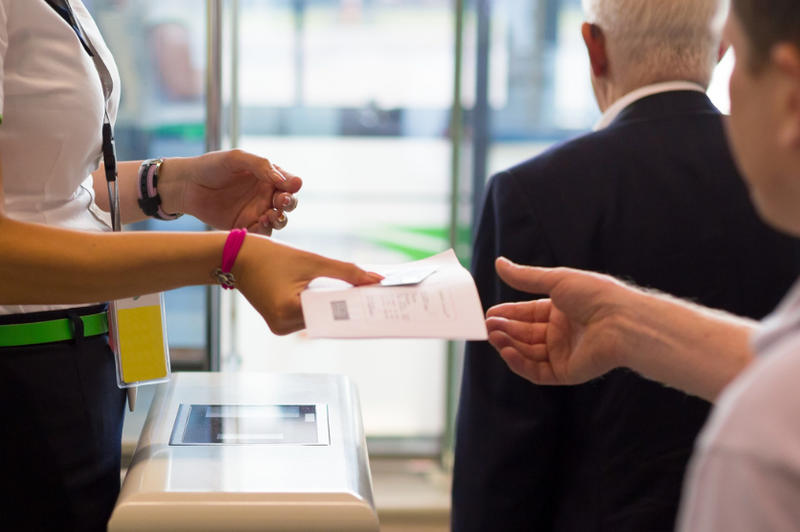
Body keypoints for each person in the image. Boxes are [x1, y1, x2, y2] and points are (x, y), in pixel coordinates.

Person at [0, 1, 381, 531]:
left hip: (74, 365)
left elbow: (42, 196)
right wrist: (228, 257)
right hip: (20, 377)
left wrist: (171, 187)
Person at [451, 0, 800, 530]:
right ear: (718, 49)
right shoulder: (776, 188)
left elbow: (502, 453)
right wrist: (627, 325)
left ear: (594, 45)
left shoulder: (532, 194)